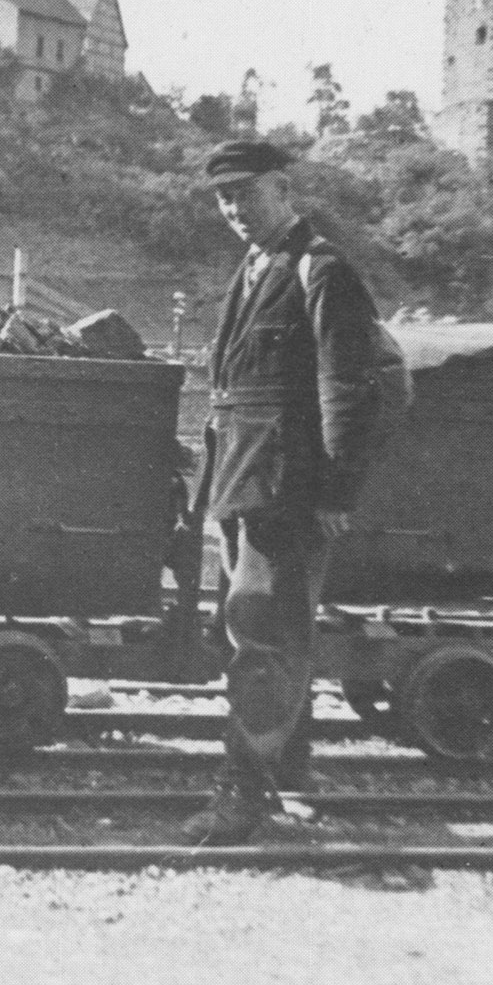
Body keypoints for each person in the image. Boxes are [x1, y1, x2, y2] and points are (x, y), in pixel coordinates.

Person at [183, 139, 392, 845]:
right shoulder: (256, 267)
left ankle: (243, 796)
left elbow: (346, 387)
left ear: (282, 187)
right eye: (223, 197)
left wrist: (337, 488)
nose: (233, 208)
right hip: (243, 481)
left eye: (245, 192)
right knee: (259, 631)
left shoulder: (320, 268)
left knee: (262, 639)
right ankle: (289, 772)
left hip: (287, 488)